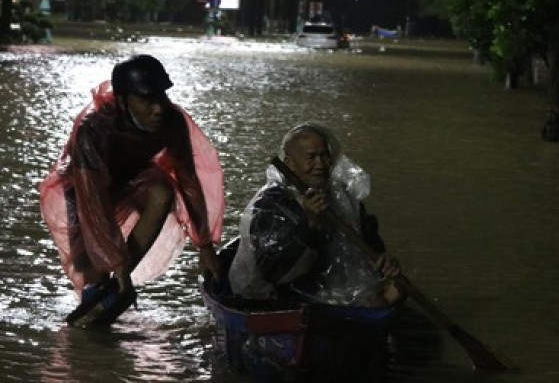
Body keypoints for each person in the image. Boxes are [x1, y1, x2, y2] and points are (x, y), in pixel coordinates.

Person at [39, 54, 225, 323]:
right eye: (147, 100)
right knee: (93, 272)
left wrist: (205, 245)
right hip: (82, 189)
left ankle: (118, 283)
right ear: (123, 100)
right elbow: (95, 203)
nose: (158, 108)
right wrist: (113, 262)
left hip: (131, 179)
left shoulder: (171, 121)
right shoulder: (94, 128)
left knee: (163, 191)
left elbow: (188, 180)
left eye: (160, 97)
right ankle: (97, 301)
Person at [228, 122, 403, 307]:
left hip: (337, 291)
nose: (320, 164)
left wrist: (385, 261)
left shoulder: (343, 199)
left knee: (397, 289)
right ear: (290, 163)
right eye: (310, 157)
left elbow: (371, 244)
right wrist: (310, 224)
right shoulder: (271, 203)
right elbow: (274, 272)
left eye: (324, 155)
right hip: (285, 296)